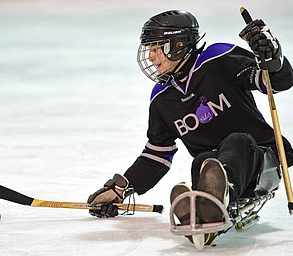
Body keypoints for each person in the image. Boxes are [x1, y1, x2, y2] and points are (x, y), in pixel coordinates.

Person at [86, 9, 293, 244]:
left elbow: (276, 82)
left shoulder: (218, 58)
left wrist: (273, 57)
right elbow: (156, 155)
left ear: (178, 44)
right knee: (202, 161)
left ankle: (211, 204)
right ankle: (206, 209)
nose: (151, 57)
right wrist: (121, 189)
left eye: (155, 48)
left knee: (238, 141)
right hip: (215, 167)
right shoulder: (162, 98)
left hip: (261, 159)